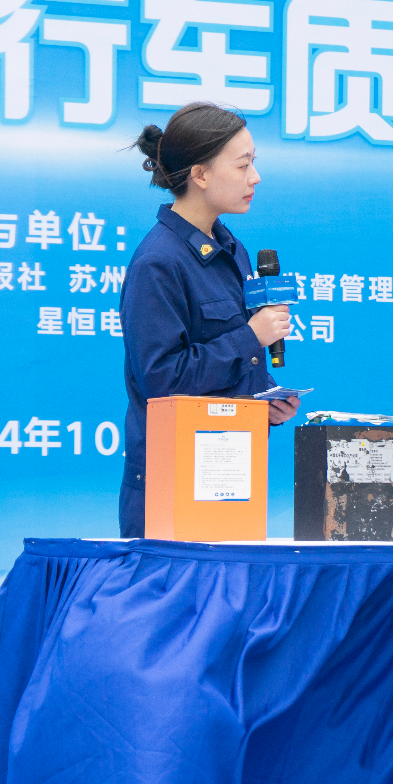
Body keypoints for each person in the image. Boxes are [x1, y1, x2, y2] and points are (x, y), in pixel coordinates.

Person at [118, 103, 298, 538]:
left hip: (230, 475)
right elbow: (163, 379)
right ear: (200, 174)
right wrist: (251, 336)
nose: (255, 177)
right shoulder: (159, 262)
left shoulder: (230, 248)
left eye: (253, 162)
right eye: (243, 165)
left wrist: (264, 401)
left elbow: (223, 366)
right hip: (173, 483)